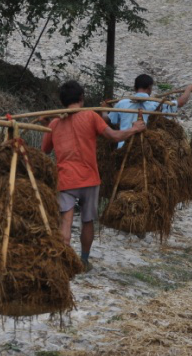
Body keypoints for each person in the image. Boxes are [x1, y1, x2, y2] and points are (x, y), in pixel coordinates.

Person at [42, 80, 146, 270]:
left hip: (66, 180)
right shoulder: (90, 116)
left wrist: (47, 126)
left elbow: (45, 150)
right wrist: (134, 129)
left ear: (62, 101)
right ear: (81, 98)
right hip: (89, 179)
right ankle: (84, 260)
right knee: (87, 221)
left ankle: (62, 262)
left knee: (66, 221)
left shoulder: (55, 123)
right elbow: (114, 136)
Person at [105, 74, 192, 147]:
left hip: (122, 147)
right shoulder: (155, 104)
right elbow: (180, 102)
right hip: (147, 149)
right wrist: (189, 88)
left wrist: (104, 109)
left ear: (135, 88)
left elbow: (107, 120)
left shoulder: (121, 103)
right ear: (150, 88)